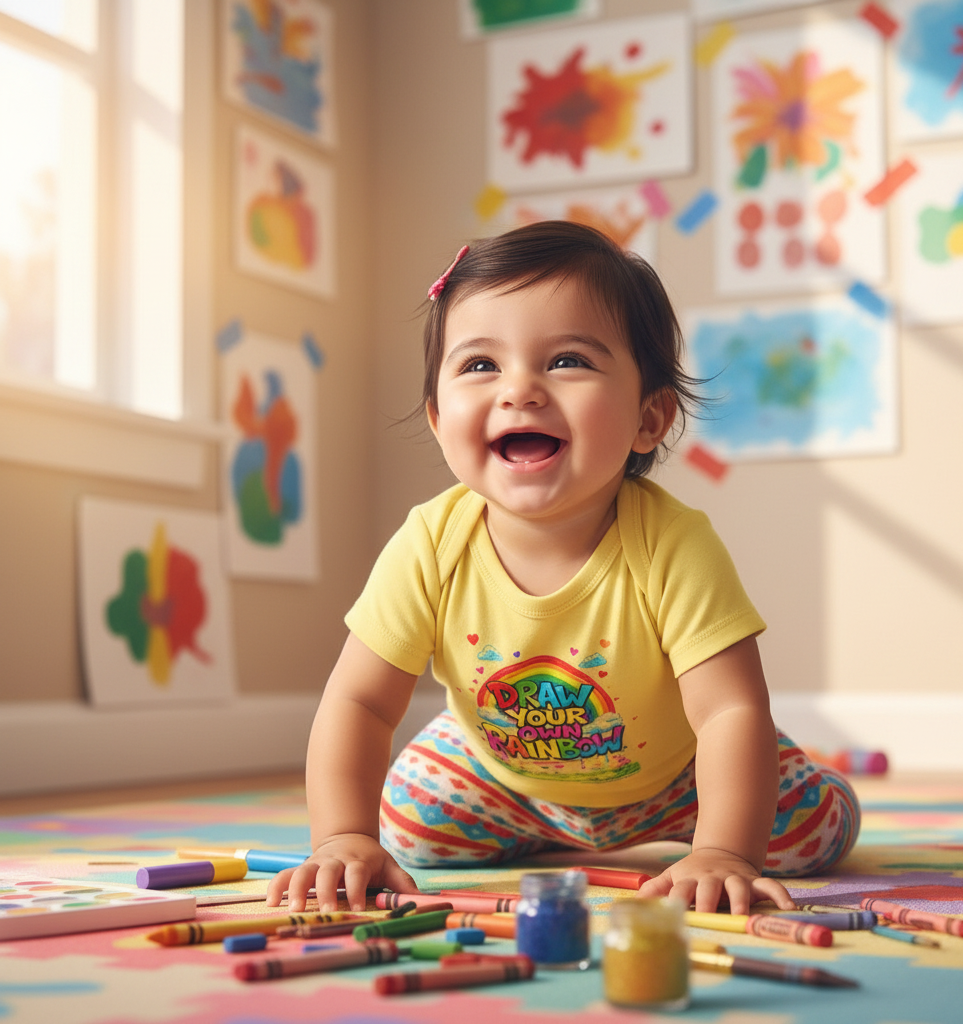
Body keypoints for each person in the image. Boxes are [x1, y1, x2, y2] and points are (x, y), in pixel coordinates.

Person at [267, 222, 860, 917]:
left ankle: (750, 818)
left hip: (678, 778)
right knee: (408, 829)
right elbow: (360, 703)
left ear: (650, 418)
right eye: (480, 365)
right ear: (437, 417)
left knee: (813, 832)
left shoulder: (673, 544)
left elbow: (730, 709)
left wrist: (723, 853)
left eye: (568, 360)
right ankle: (533, 826)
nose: (519, 390)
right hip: (504, 778)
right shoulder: (430, 543)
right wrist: (342, 837)